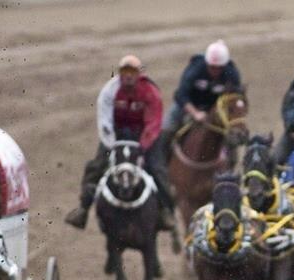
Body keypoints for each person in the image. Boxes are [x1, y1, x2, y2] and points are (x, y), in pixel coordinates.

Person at [64, 55, 175, 231]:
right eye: (125, 71)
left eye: (132, 72)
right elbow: (104, 121)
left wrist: (142, 146)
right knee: (96, 166)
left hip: (144, 135)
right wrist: (112, 144)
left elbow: (154, 122)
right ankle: (83, 208)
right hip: (116, 135)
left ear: (140, 74)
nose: (128, 76)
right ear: (119, 73)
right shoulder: (110, 91)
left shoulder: (150, 92)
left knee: (157, 168)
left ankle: (166, 210)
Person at [158, 40, 242, 157]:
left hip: (216, 109)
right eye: (212, 67)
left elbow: (235, 97)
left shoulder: (231, 73)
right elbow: (181, 94)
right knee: (165, 130)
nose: (215, 71)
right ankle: (160, 164)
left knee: (232, 135)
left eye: (219, 68)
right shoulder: (196, 68)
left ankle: (230, 164)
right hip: (189, 105)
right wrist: (195, 113)